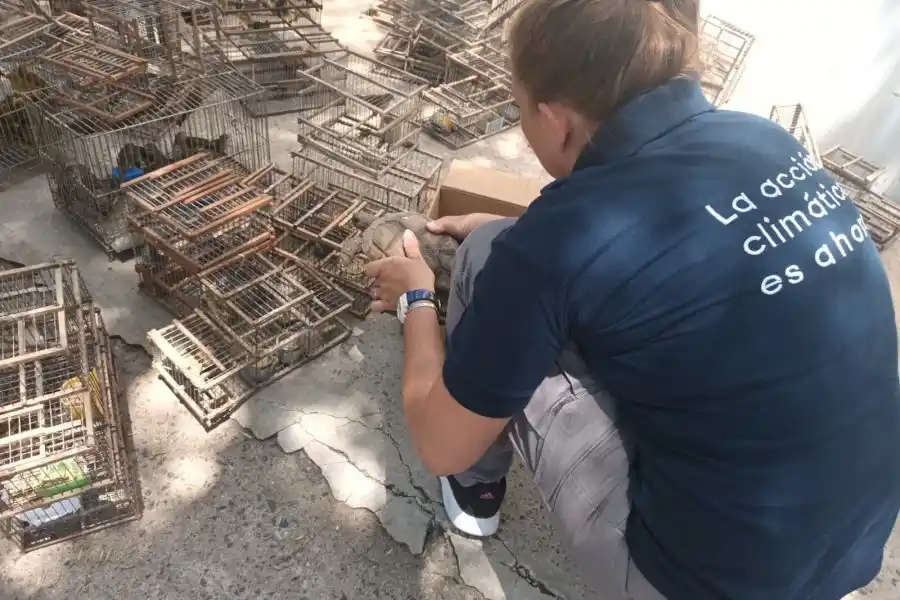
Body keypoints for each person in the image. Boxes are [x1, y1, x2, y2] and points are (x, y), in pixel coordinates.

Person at [364, 0, 900, 599]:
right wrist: (525, 241)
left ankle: (476, 493)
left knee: (482, 260)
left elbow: (439, 443)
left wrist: (417, 298)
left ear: (555, 120)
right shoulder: (764, 138)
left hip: (700, 585)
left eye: (521, 110)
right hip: (852, 545)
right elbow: (665, 244)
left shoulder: (554, 243)